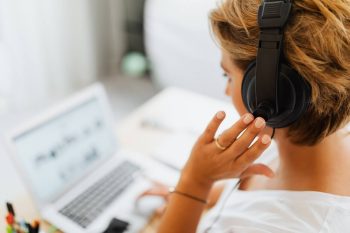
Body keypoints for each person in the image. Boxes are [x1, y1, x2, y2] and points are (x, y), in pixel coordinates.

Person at [139, 0, 350, 232]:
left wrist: (194, 182)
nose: (227, 91)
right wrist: (189, 197)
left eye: (227, 76)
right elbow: (255, 190)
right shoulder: (304, 140)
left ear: (271, 91)